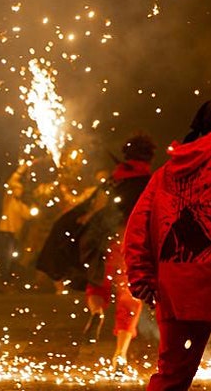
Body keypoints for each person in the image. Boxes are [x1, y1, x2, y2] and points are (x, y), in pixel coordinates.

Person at [124, 98, 211, 390]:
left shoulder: (167, 171)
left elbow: (138, 225)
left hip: (177, 288)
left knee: (170, 377)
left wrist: (140, 276)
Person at [78, 133, 156, 371]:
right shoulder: (152, 181)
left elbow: (98, 209)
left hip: (108, 238)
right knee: (128, 297)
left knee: (97, 282)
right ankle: (119, 355)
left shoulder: (114, 179)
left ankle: (96, 311)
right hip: (133, 242)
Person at [0, 161, 34, 290]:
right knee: (6, 257)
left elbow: (29, 215)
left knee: (13, 258)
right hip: (5, 232)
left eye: (20, 190)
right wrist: (24, 168)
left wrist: (36, 207)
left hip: (15, 235)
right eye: (16, 189)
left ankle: (9, 281)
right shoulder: (9, 200)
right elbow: (12, 181)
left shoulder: (20, 205)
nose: (19, 192)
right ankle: (3, 280)